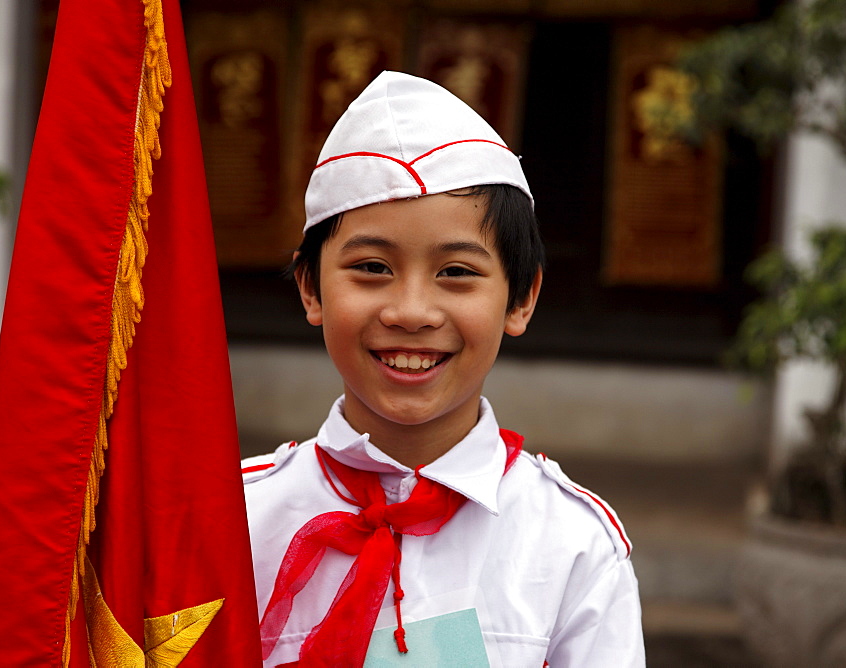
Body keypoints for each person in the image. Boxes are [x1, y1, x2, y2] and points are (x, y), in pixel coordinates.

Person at [242, 70, 644, 667]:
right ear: (310, 288)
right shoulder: (238, 521)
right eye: (372, 268)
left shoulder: (572, 546)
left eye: (456, 272)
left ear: (521, 299)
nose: (411, 312)